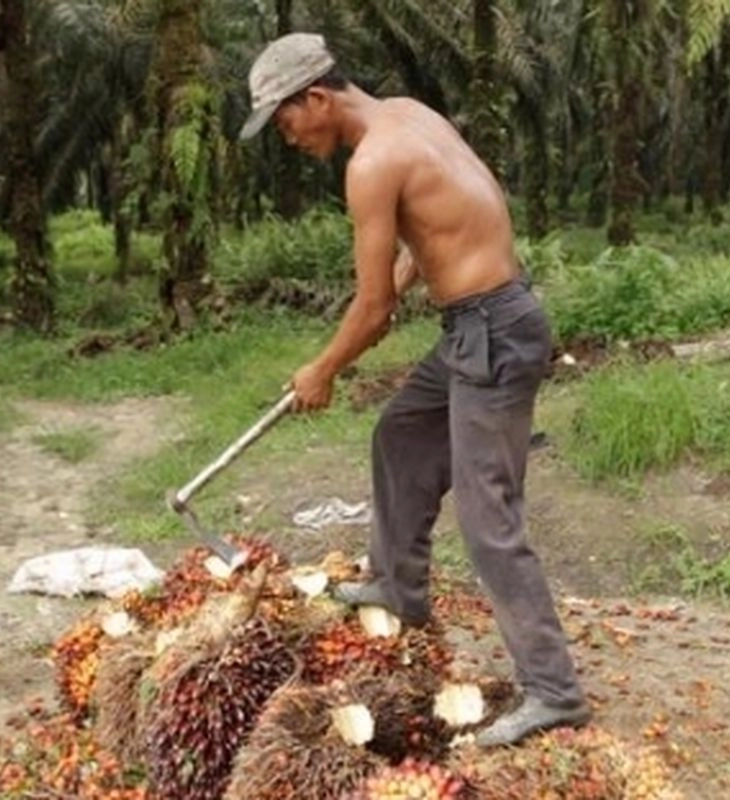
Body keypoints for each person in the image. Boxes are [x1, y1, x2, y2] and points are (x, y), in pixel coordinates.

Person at [239, 32, 589, 747]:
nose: (288, 136)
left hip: (492, 329)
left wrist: (323, 369)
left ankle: (554, 691)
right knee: (401, 435)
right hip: (482, 322)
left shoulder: (370, 163)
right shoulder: (406, 113)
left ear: (316, 97)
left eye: (285, 120)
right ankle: (398, 588)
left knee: (489, 519)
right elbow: (448, 218)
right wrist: (411, 273)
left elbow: (372, 310)